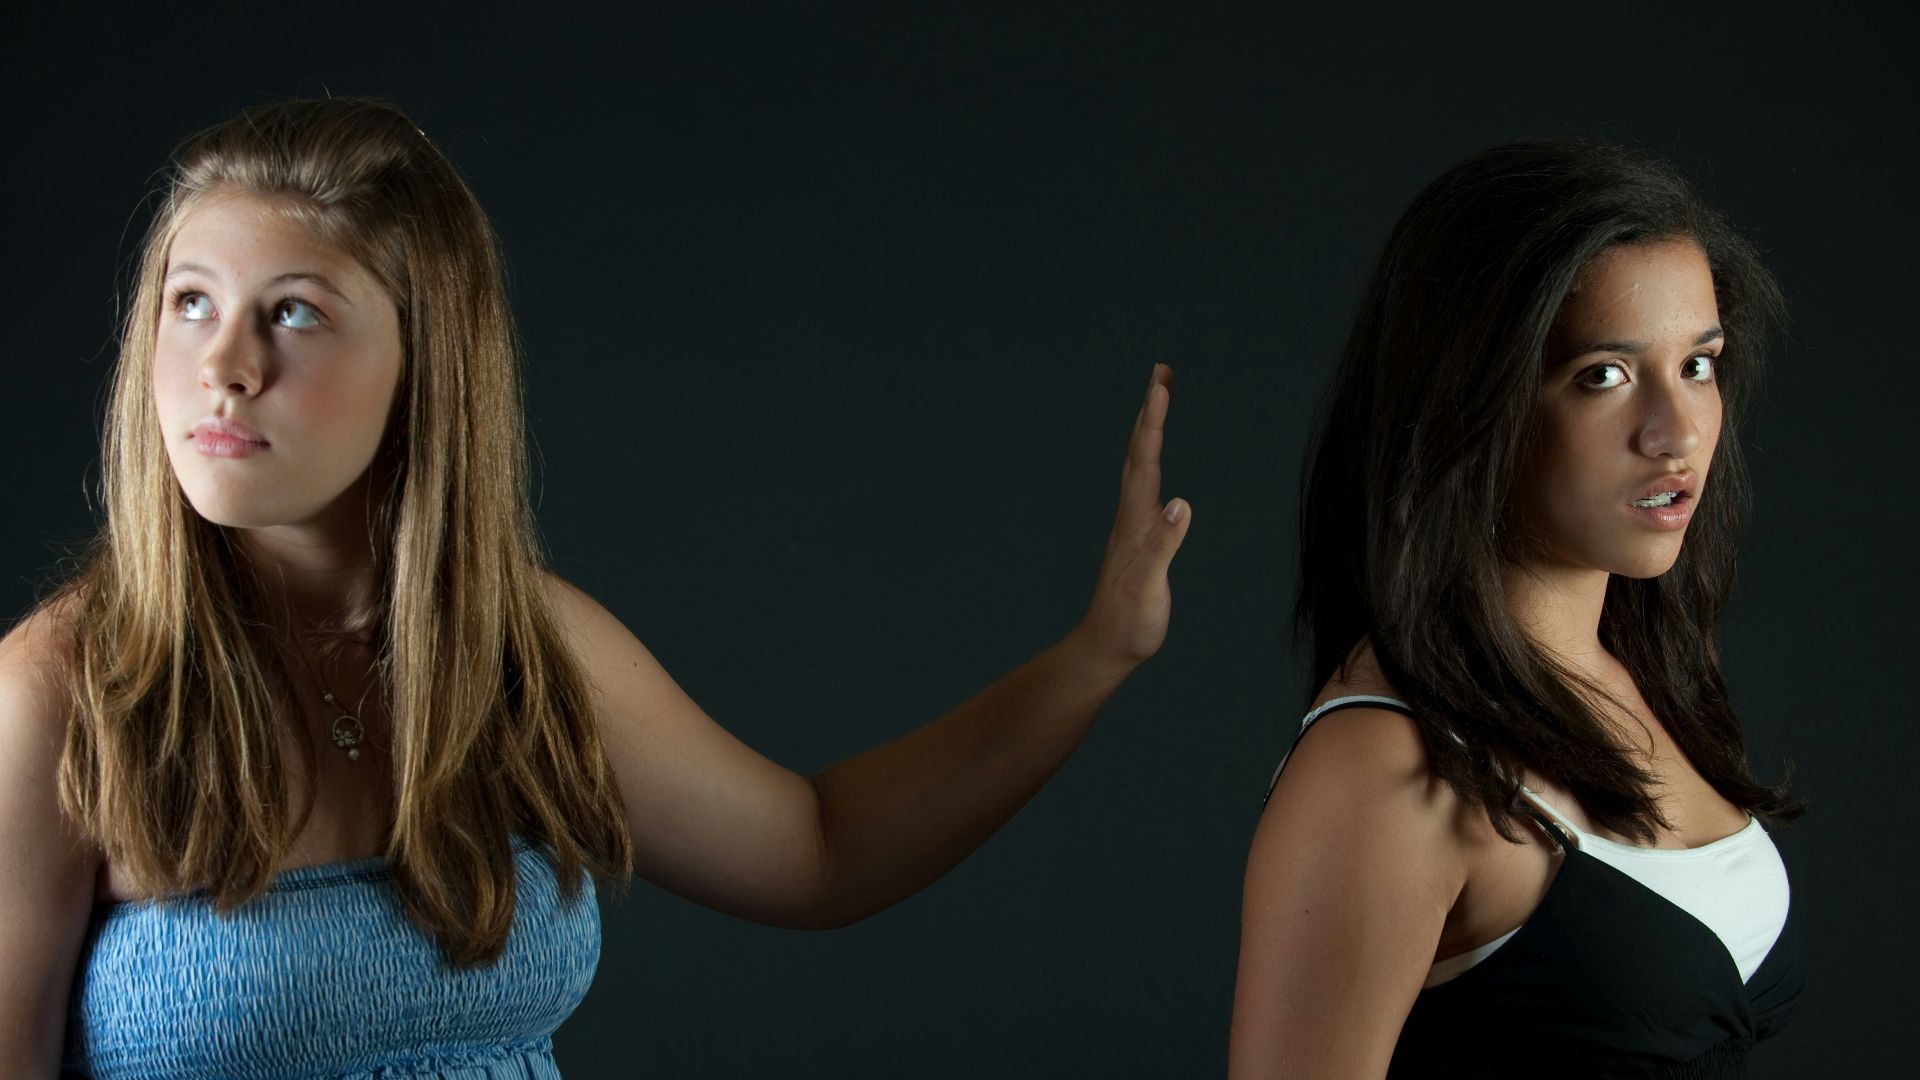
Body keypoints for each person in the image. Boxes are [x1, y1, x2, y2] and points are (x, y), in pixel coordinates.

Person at [0, 97, 1191, 1077]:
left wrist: (1093, 658)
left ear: (429, 363)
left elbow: (817, 850)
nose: (224, 368)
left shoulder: (524, 652)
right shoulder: (56, 697)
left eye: (295, 313)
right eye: (190, 301)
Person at [1229, 141, 1804, 1077]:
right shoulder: (1387, 771)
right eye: (1603, 376)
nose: (1678, 433)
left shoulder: (1627, 669)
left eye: (1699, 364)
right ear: (1472, 400)